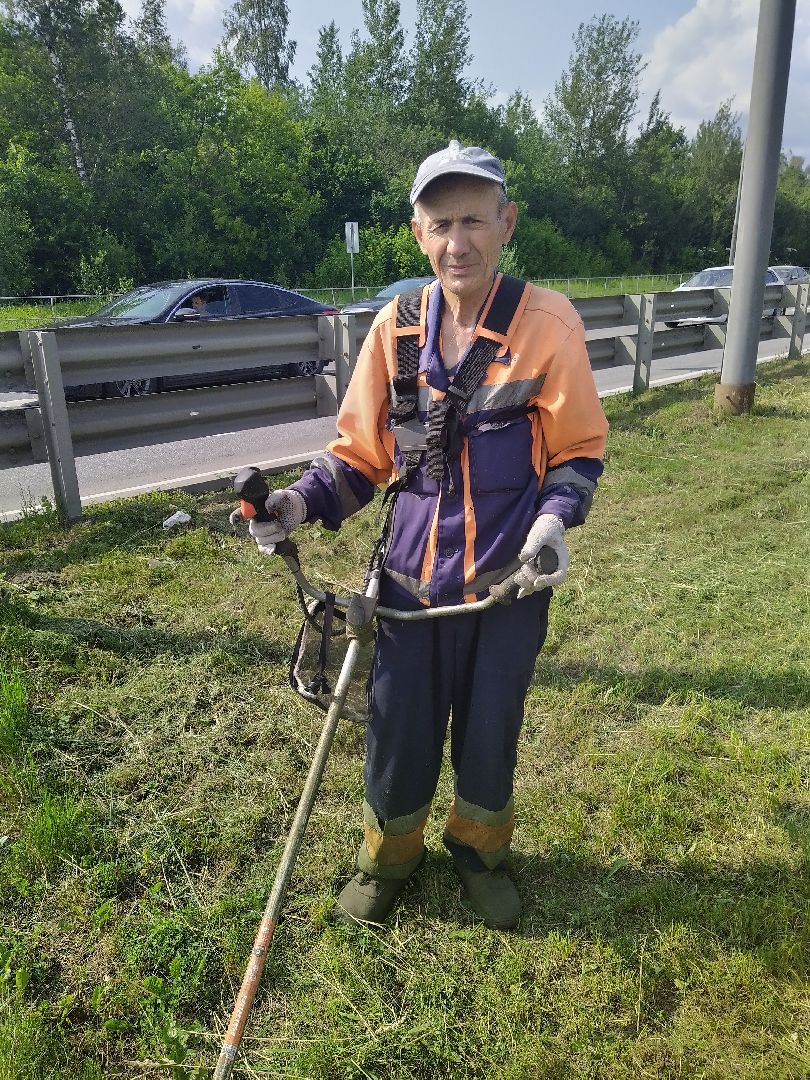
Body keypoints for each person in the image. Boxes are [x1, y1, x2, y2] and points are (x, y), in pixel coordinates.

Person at [245, 140, 608, 930]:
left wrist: (553, 523)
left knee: (489, 732)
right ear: (418, 234)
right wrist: (296, 508)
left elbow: (579, 448)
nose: (458, 241)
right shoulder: (393, 330)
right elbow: (360, 454)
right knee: (398, 730)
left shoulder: (549, 325)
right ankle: (390, 858)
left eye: (474, 219)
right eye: (440, 223)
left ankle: (479, 854)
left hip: (509, 585)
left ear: (505, 224)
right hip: (410, 584)